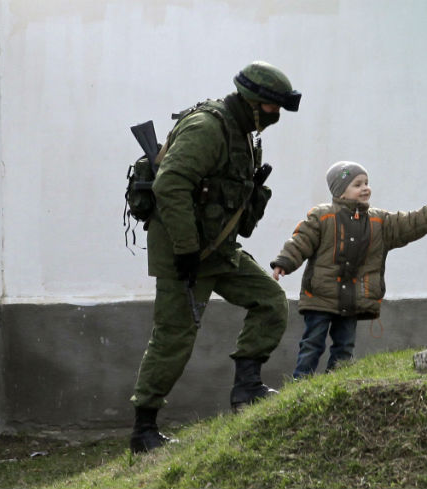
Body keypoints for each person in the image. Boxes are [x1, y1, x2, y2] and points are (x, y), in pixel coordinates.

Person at [129, 61, 301, 453]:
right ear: (254, 102)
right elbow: (170, 185)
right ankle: (144, 429)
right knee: (174, 337)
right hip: (183, 252)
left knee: (270, 301)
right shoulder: (208, 127)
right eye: (272, 107)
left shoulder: (244, 134)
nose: (276, 115)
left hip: (218, 248)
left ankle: (247, 388)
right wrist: (186, 249)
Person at [271, 161, 427, 378]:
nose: (365, 188)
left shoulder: (379, 221)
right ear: (340, 191)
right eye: (357, 184)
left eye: (366, 183)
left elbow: (412, 222)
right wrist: (284, 262)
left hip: (353, 300)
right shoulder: (323, 216)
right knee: (313, 343)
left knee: (345, 346)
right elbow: (301, 241)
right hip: (320, 296)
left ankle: (336, 382)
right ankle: (301, 382)